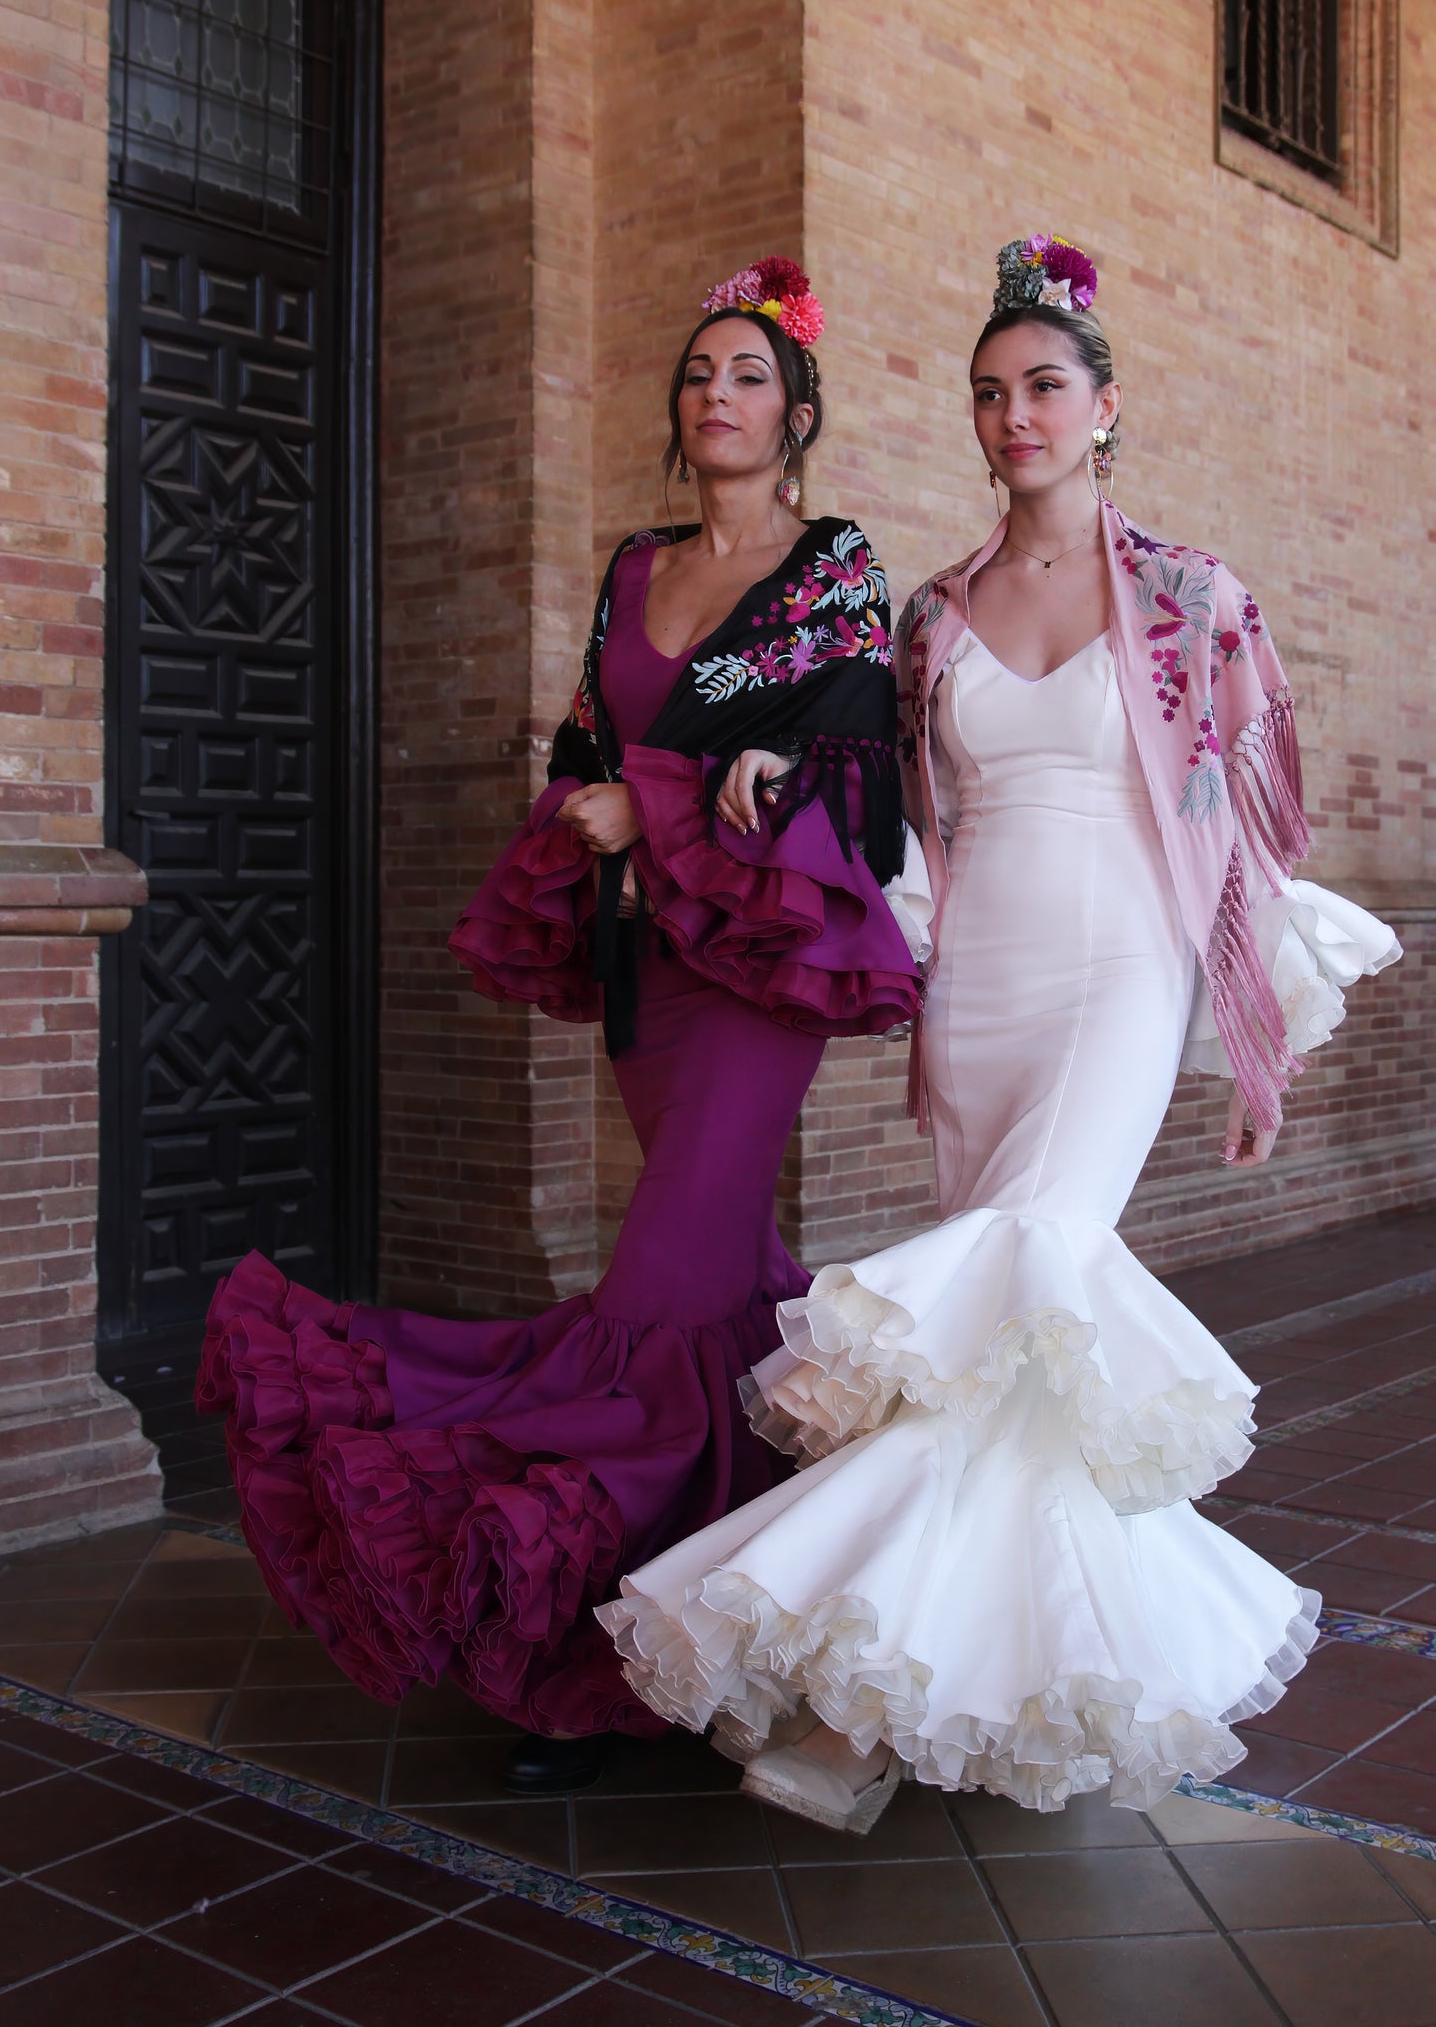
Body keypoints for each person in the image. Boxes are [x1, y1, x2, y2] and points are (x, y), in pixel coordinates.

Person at [596, 234, 1402, 1832]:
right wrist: (772, 777)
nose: (1013, 414)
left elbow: (1249, 830)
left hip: (1120, 959)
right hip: (978, 982)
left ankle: (854, 1719)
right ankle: (968, 1677)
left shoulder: (1191, 599)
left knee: (1030, 1263)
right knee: (997, 1352)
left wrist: (1254, 1039)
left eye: (1042, 387)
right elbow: (894, 817)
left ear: (1101, 409)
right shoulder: (931, 616)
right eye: (988, 394)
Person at [196, 256, 927, 1796]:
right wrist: (603, 803)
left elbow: (859, 778)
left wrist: (699, 792)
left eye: (744, 376)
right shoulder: (626, 566)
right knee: (724, 1304)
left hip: (753, 978)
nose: (713, 397)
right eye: (695, 375)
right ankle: (776, 1624)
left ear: (796, 412)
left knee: (652, 1298)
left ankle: (605, 1676)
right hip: (647, 969)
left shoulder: (831, 568)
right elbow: (583, 750)